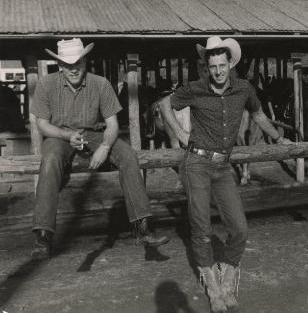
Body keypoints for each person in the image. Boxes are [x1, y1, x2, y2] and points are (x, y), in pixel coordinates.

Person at [159, 36, 292, 312]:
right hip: (196, 164)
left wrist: (279, 139)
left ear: (230, 63)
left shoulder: (243, 89)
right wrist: (181, 133)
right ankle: (213, 285)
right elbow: (164, 105)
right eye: (212, 66)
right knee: (202, 228)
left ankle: (230, 273)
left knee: (240, 228)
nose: (218, 72)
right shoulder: (195, 89)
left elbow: (257, 116)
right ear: (205, 66)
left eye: (222, 65)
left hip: (222, 167)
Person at [31, 38, 169, 260]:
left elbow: (112, 124)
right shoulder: (46, 84)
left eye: (77, 63)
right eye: (67, 65)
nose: (73, 69)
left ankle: (142, 227)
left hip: (94, 134)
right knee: (49, 160)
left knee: (127, 154)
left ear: (85, 61)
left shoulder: (100, 83)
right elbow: (42, 124)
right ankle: (43, 235)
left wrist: (104, 146)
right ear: (59, 66)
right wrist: (67, 135)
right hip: (60, 135)